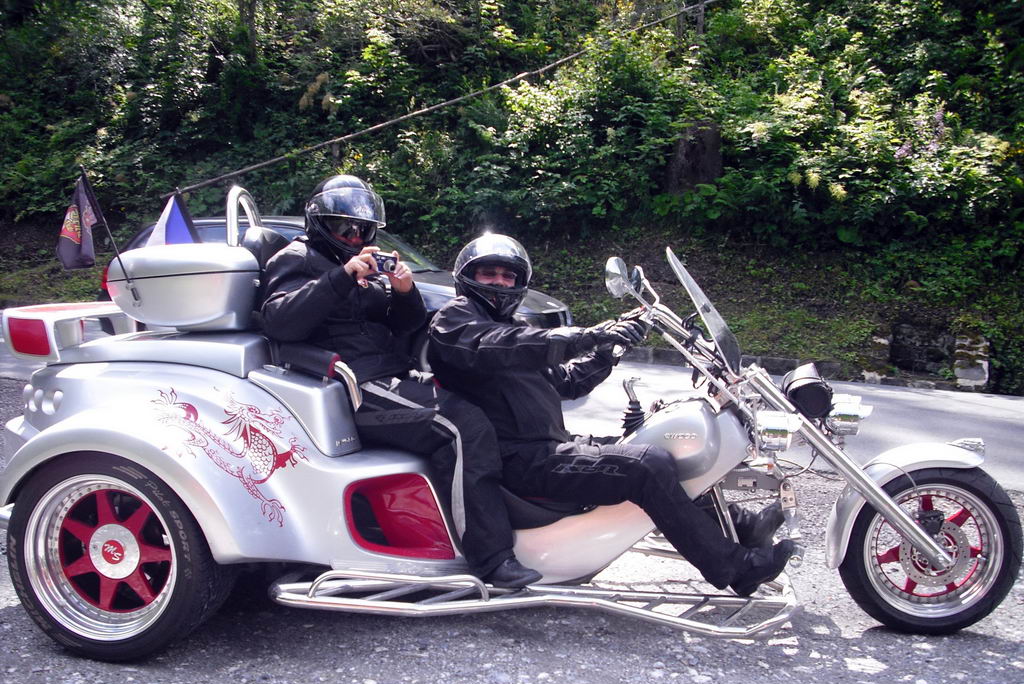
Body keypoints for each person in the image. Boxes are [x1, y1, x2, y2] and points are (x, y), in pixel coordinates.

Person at [427, 233, 795, 596]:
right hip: (518, 460)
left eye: (508, 276)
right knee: (646, 465)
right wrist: (588, 335)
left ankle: (743, 525)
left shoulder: (516, 327)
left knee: (661, 444)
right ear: (467, 277)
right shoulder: (455, 320)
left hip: (550, 446)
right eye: (489, 273)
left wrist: (611, 347)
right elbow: (500, 346)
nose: (499, 282)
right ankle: (735, 569)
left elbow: (568, 382)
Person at [260, 176, 540, 589]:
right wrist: (342, 276)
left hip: (391, 374)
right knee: (462, 425)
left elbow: (405, 327)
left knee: (489, 399)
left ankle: (530, 514)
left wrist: (404, 291)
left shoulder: (366, 266)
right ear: (319, 223)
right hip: (352, 386)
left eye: (362, 230)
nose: (354, 238)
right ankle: (492, 558)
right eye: (344, 229)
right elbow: (280, 321)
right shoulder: (297, 258)